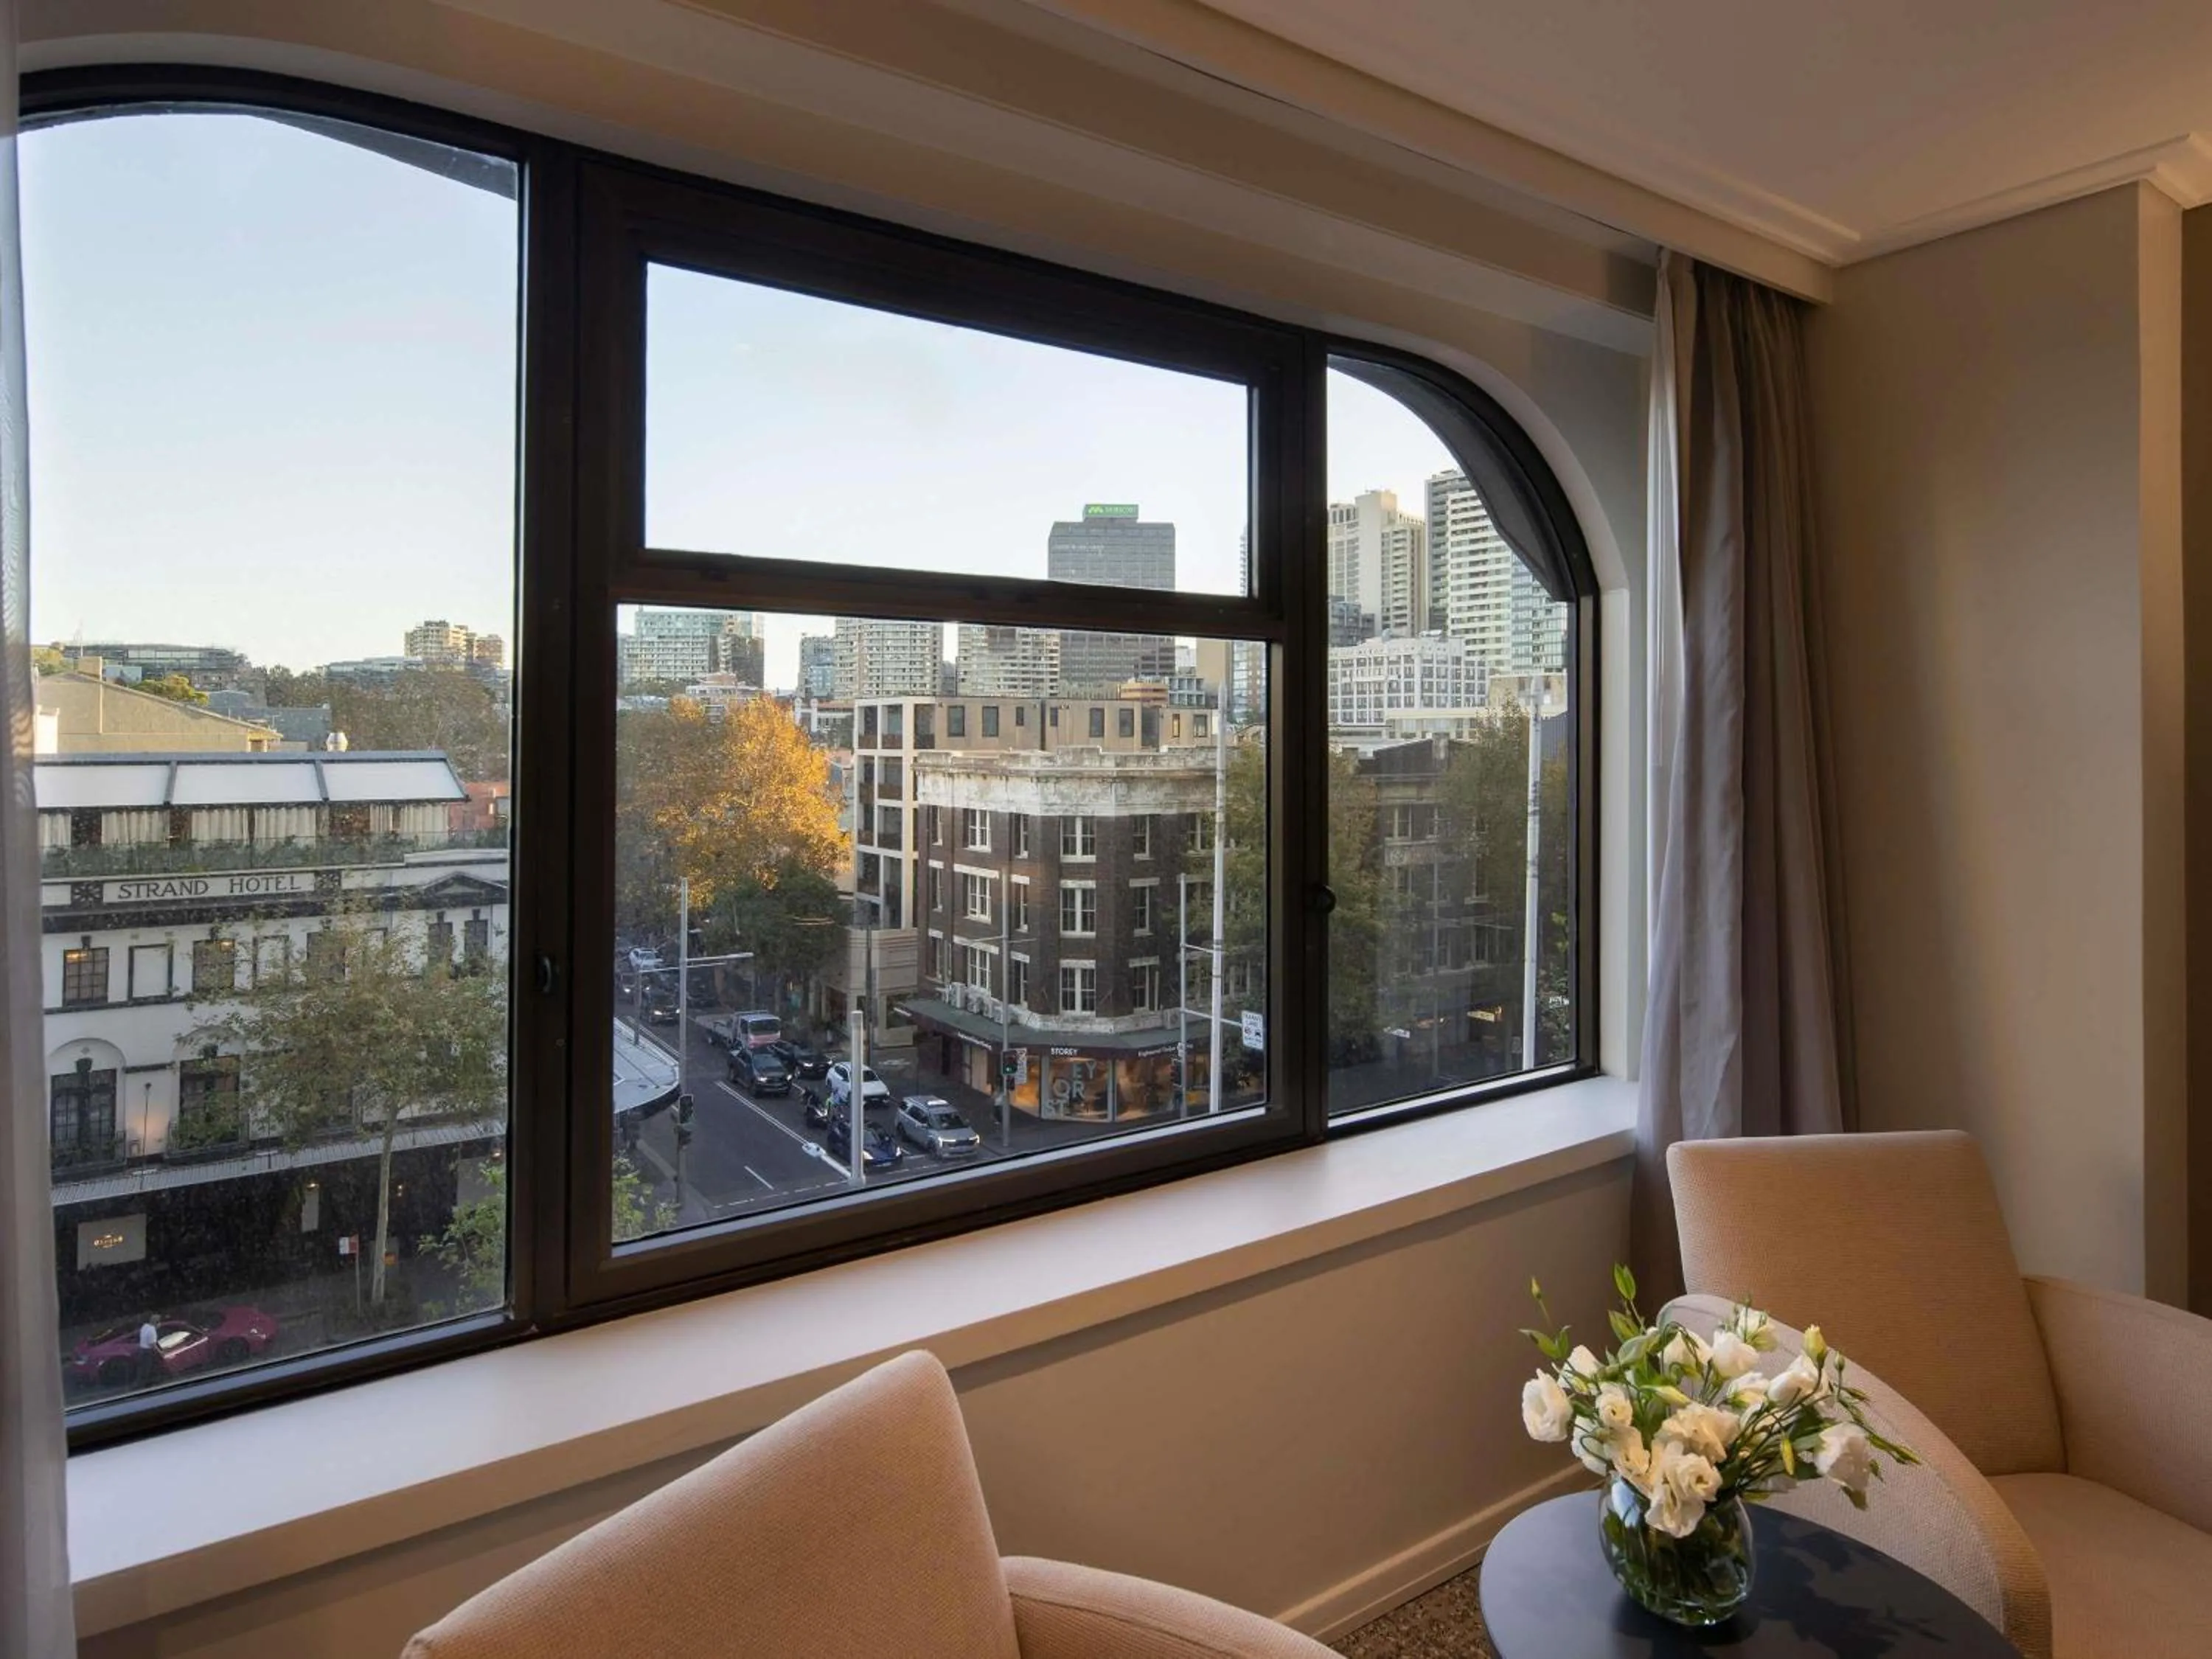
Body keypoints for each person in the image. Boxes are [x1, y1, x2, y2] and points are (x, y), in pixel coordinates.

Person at [136, 1315, 161, 1387]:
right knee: (147, 1368)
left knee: (142, 1368)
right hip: (147, 1352)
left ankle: (140, 1383)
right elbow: (153, 1344)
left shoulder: (145, 1326)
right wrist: (160, 1352)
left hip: (141, 1350)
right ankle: (145, 1385)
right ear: (157, 1323)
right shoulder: (152, 1331)